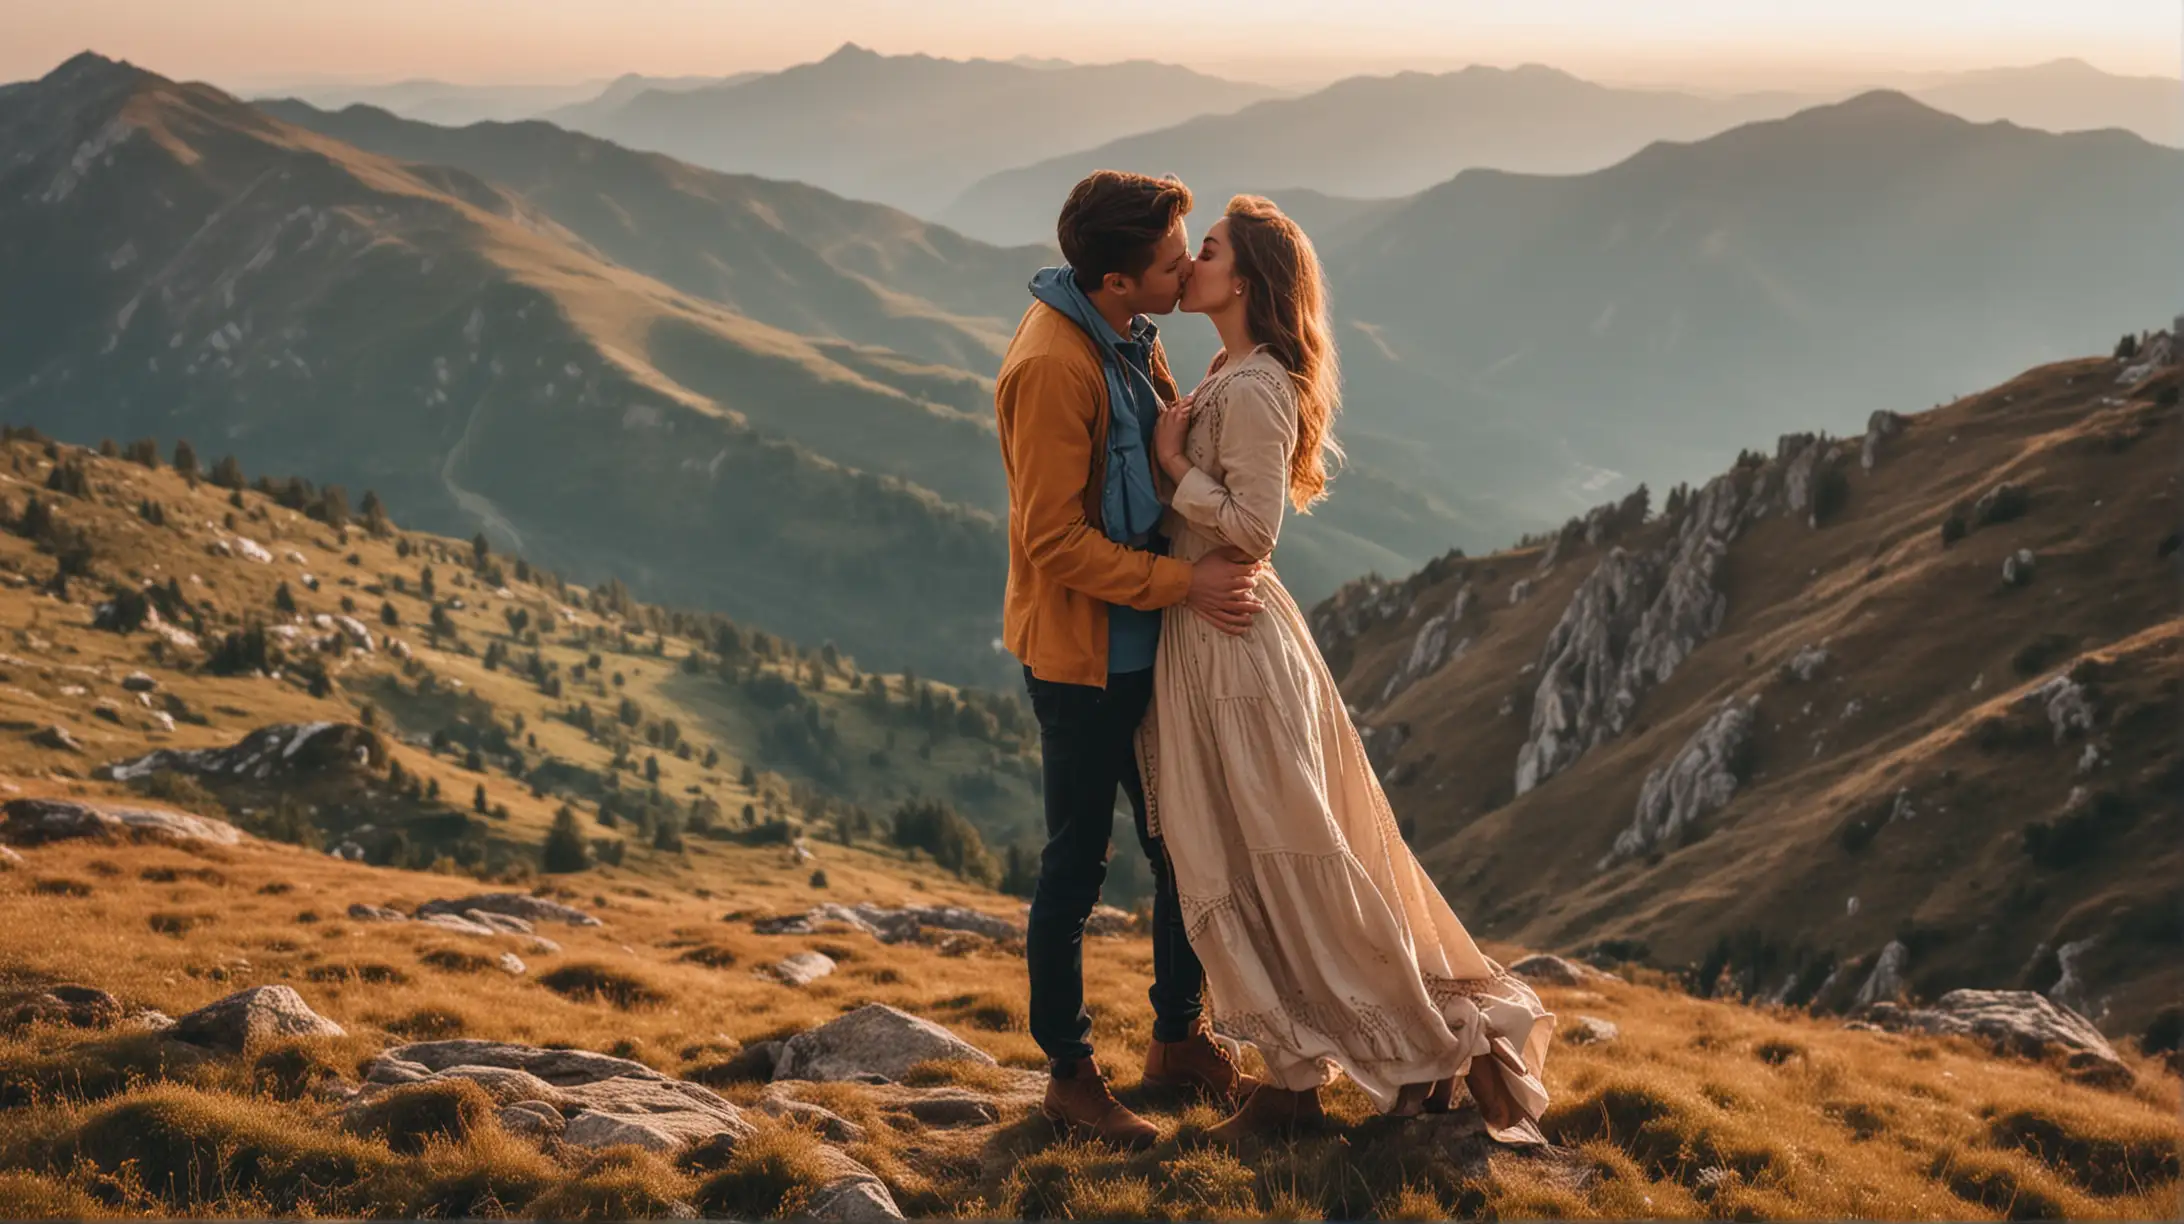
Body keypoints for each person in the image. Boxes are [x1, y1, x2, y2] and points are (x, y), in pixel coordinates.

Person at [1142, 195, 1555, 1145]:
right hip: (1216, 637)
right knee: (1258, 856)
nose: (1188, 262)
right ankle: (1304, 1076)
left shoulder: (1254, 387)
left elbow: (1251, 530)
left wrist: (1173, 465)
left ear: (1242, 278)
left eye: (1205, 250)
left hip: (1236, 646)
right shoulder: (1229, 367)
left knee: (1284, 859)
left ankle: (1354, 1065)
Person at [993, 170, 1270, 1149]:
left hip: (1144, 647)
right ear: (1116, 278)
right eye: (1167, 260)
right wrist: (1183, 586)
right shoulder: (1054, 369)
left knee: (1180, 847)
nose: (1187, 267)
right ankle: (1070, 1079)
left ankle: (1177, 1040)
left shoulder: (1125, 339)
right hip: (1083, 660)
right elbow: (1052, 544)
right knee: (1077, 869)